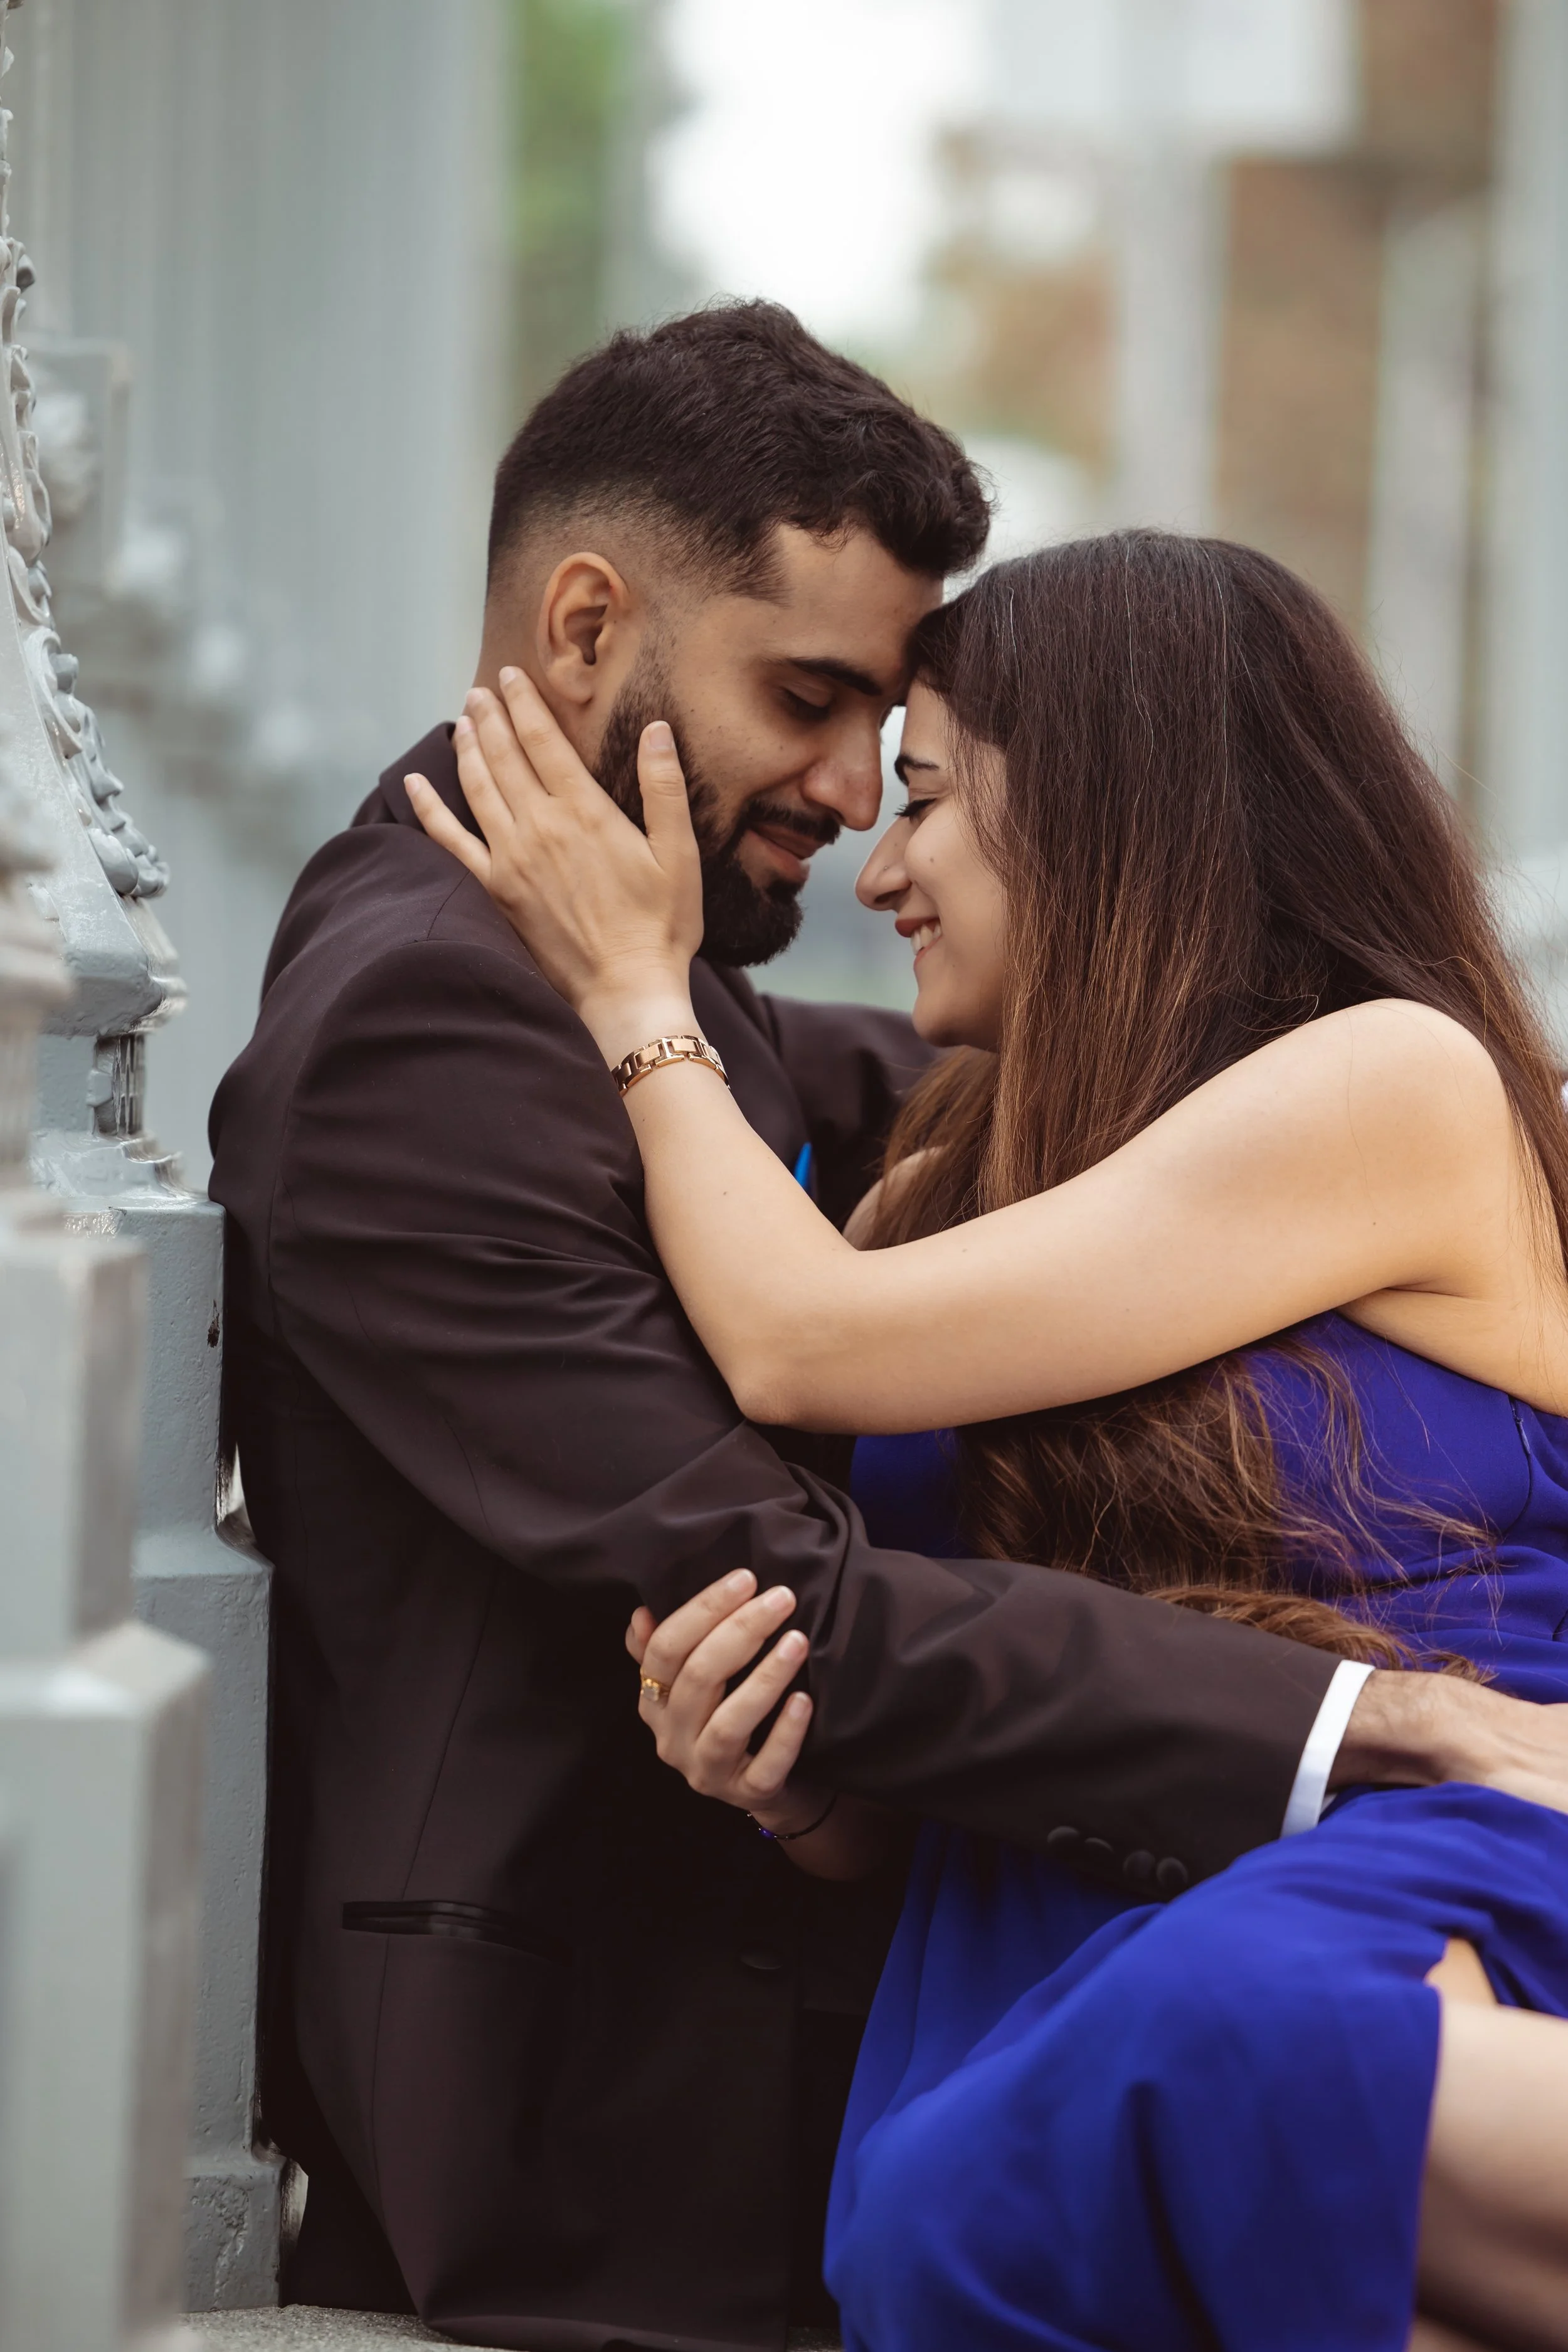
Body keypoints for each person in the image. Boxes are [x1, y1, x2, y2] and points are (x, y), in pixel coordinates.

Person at [212, 304, 1568, 2352]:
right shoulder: (459, 1018)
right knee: (1053, 2164)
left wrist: (642, 993)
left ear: (1118, 819)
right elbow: (791, 1573)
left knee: (1229, 2069)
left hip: (1401, 1857)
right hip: (989, 1941)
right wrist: (796, 1786)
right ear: (587, 626)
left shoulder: (1237, 1092)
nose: (860, 822)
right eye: (819, 704)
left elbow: (801, 1332)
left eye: (917, 771)